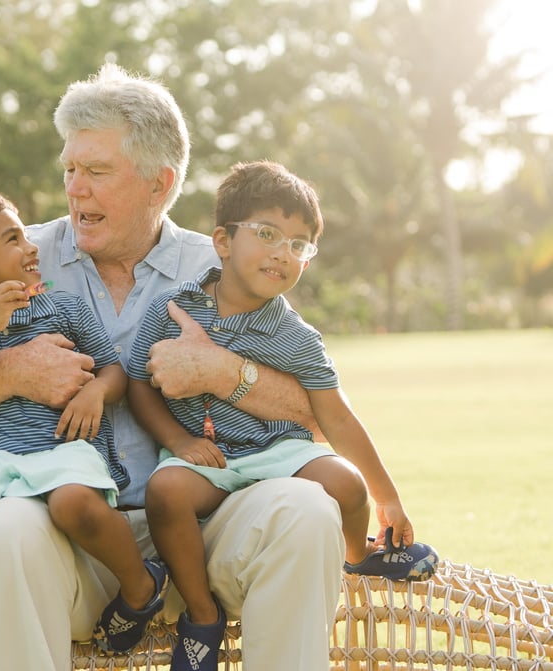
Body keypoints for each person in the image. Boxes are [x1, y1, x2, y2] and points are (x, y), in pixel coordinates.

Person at [0, 63, 345, 671]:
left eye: (97, 172)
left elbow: (317, 413)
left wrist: (223, 371)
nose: (76, 189)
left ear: (160, 183)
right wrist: (11, 370)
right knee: (9, 527)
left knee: (306, 510)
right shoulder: (9, 259)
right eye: (70, 169)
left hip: (206, 529)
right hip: (68, 536)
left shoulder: (230, 264)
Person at [127, 160, 438, 670]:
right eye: (267, 233)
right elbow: (139, 384)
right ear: (223, 242)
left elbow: (336, 418)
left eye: (298, 244)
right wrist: (177, 443)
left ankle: (356, 558)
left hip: (277, 452)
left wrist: (389, 497)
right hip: (206, 459)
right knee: (166, 493)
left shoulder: (297, 336)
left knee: (346, 482)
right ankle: (201, 617)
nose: (282, 253)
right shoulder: (173, 308)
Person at [0, 184, 169, 662]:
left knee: (74, 505)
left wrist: (93, 392)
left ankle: (139, 586)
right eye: (12, 239)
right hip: (1, 460)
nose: (30, 248)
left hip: (65, 450)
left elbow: (113, 372)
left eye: (25, 236)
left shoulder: (61, 307)